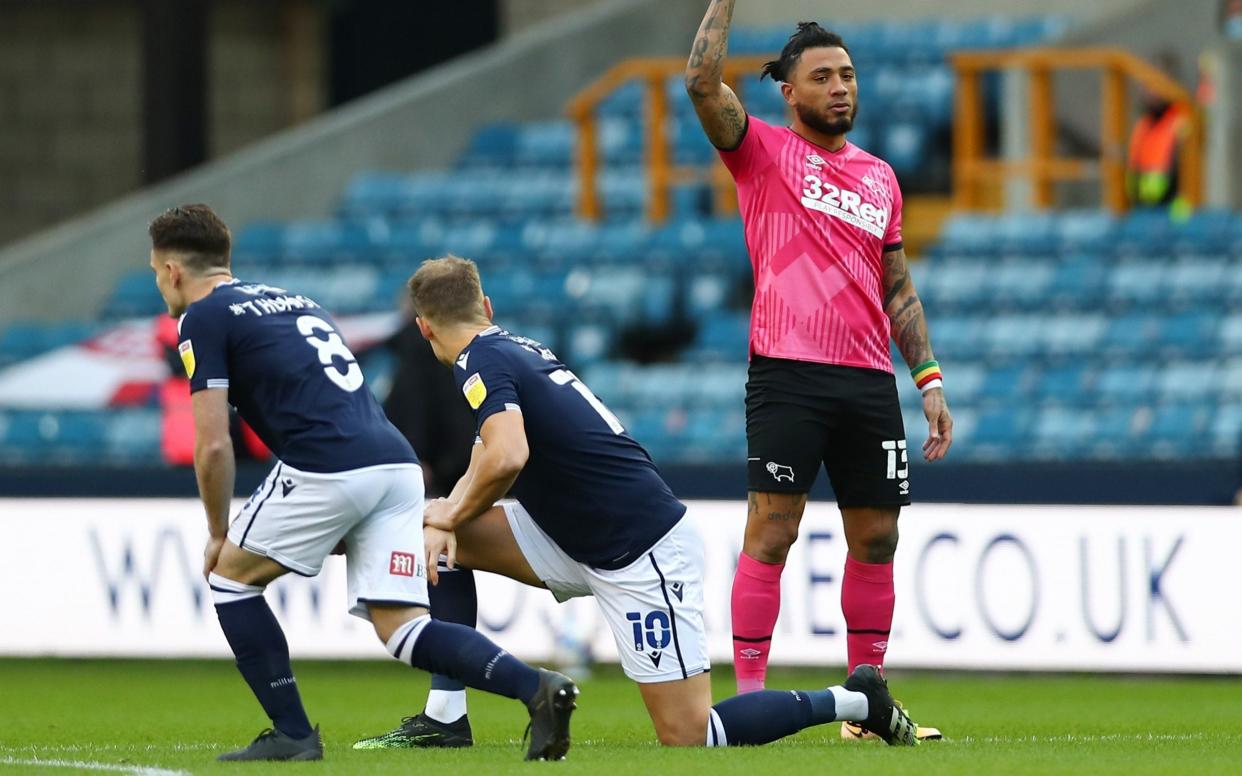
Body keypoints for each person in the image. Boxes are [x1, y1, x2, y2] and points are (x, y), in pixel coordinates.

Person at [354, 256, 920, 749]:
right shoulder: (511, 349)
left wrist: (450, 512)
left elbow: (506, 456)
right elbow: (487, 452)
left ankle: (856, 701)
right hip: (571, 534)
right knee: (432, 533)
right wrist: (445, 515)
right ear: (487, 304)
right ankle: (445, 717)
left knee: (691, 735)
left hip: (639, 550)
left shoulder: (483, 362)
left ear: (424, 329)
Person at [147, 204, 577, 763]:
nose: (160, 285)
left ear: (174, 271)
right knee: (400, 627)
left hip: (327, 464)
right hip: (394, 465)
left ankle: (293, 733)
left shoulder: (201, 318)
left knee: (230, 578)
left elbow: (212, 444)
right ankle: (535, 688)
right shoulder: (296, 301)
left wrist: (216, 530)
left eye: (158, 273)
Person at [684, 5, 953, 741]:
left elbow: (896, 287)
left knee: (877, 539)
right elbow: (701, 82)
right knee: (771, 533)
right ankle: (748, 704)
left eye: (848, 75)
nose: (840, 87)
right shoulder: (760, 152)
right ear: (790, 93)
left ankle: (868, 703)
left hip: (868, 381)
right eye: (823, 77)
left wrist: (927, 379)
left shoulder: (879, 179)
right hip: (787, 373)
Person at [1125, 53, 1191, 215]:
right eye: (1147, 84)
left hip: (1177, 217)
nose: (1151, 91)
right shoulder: (1142, 126)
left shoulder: (1184, 120)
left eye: (1157, 83)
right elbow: (1132, 177)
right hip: (1143, 212)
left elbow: (1177, 181)